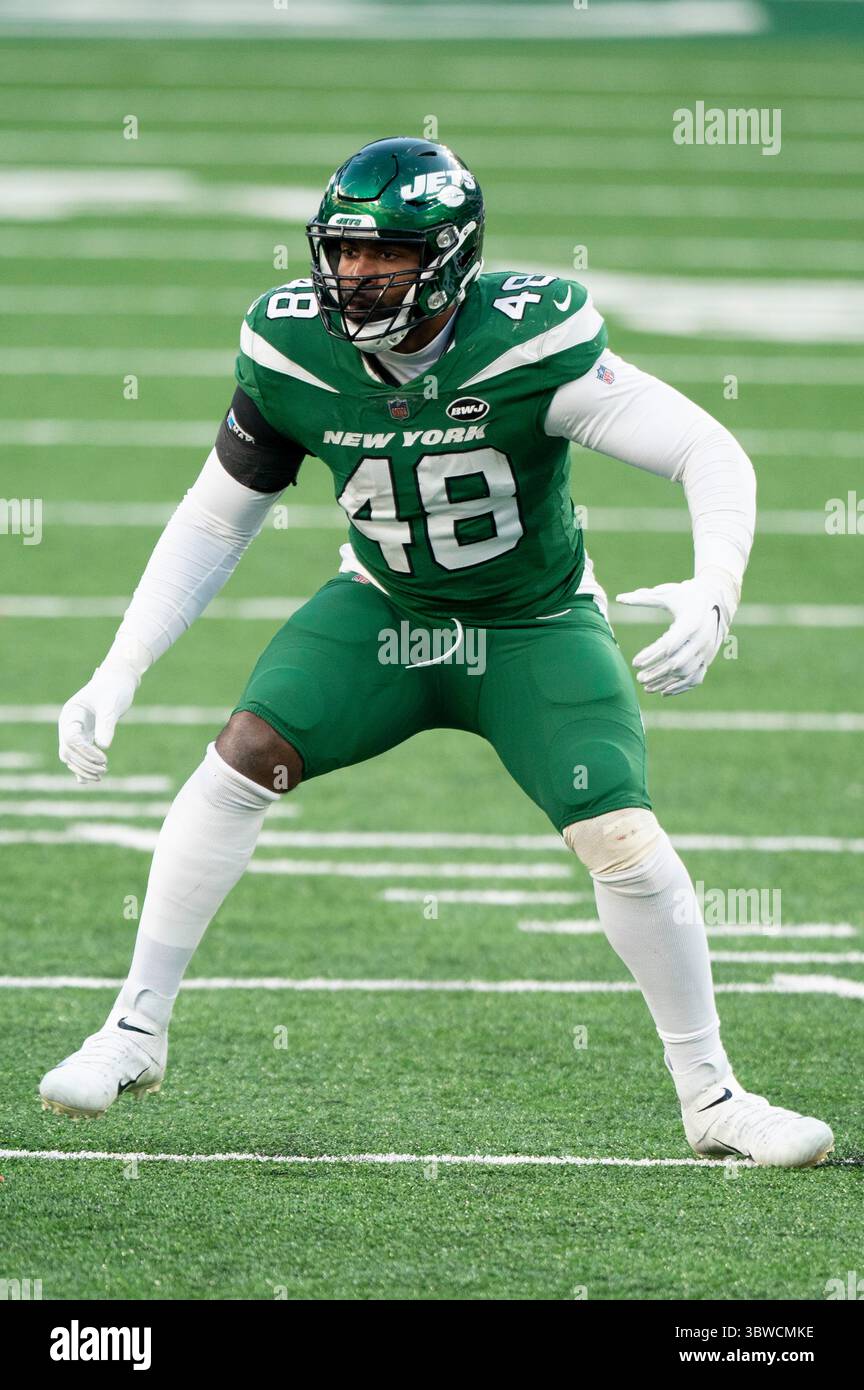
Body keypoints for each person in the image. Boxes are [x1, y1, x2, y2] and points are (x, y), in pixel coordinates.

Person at [40, 138, 833, 1167]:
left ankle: (714, 1096)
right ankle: (134, 1032)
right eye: (344, 252)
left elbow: (705, 449)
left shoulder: (525, 341)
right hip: (384, 610)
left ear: (451, 258)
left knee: (622, 837)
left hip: (532, 623)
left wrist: (715, 584)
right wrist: (122, 665)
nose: (357, 276)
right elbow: (214, 519)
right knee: (242, 755)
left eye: (389, 256)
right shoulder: (294, 350)